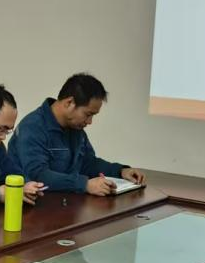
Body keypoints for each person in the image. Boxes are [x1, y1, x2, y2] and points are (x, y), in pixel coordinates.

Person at [9, 73, 145, 196]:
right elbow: (38, 176)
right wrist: (84, 185)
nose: (90, 122)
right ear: (69, 103)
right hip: (36, 208)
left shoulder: (75, 128)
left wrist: (121, 171)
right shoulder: (32, 127)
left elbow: (88, 163)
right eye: (88, 114)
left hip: (68, 204)